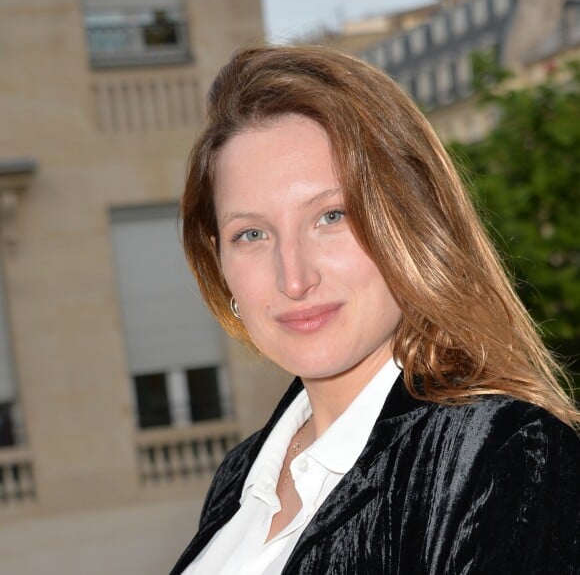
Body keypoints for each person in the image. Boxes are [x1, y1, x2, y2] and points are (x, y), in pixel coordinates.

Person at [170, 45, 579, 575]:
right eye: (251, 233)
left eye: (332, 216)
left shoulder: (502, 455)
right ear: (217, 259)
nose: (294, 278)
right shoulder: (242, 477)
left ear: (410, 223)